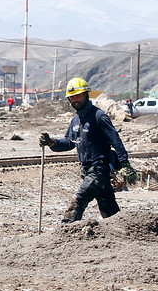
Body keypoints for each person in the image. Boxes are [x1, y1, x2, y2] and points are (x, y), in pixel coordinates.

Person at [38, 77, 137, 223]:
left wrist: (126, 164)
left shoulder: (99, 117)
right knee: (109, 210)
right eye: (72, 98)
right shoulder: (75, 120)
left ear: (86, 95)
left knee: (78, 199)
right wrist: (51, 142)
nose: (75, 100)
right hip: (87, 170)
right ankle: (123, 232)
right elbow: (69, 143)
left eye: (78, 96)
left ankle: (66, 233)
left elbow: (116, 141)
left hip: (100, 169)